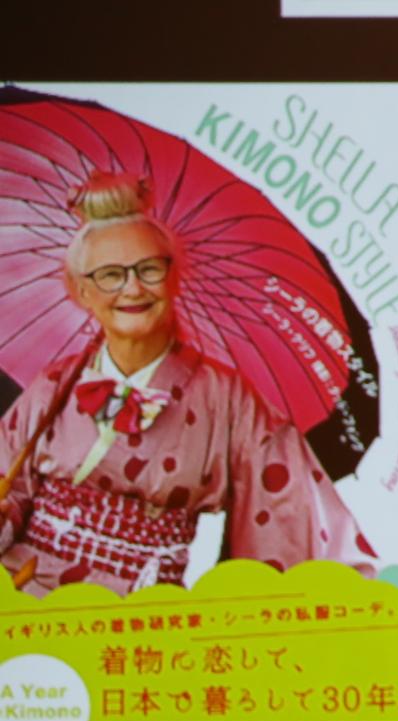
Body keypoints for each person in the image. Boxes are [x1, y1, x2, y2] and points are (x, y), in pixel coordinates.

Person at [0, 172, 375, 596]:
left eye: (149, 269)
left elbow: (288, 511)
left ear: (175, 277)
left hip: (144, 612)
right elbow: (10, 488)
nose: (132, 288)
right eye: (109, 275)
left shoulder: (227, 399)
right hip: (25, 596)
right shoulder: (56, 384)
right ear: (80, 290)